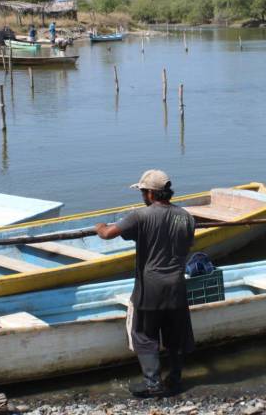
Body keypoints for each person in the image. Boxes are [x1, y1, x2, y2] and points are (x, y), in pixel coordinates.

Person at [95, 170, 196, 398]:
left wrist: (99, 226)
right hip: (177, 287)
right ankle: (175, 380)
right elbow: (187, 245)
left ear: (151, 194)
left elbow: (109, 234)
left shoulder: (140, 216)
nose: (141, 195)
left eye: (142, 191)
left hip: (149, 289)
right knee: (175, 336)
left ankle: (153, 384)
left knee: (144, 334)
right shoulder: (187, 217)